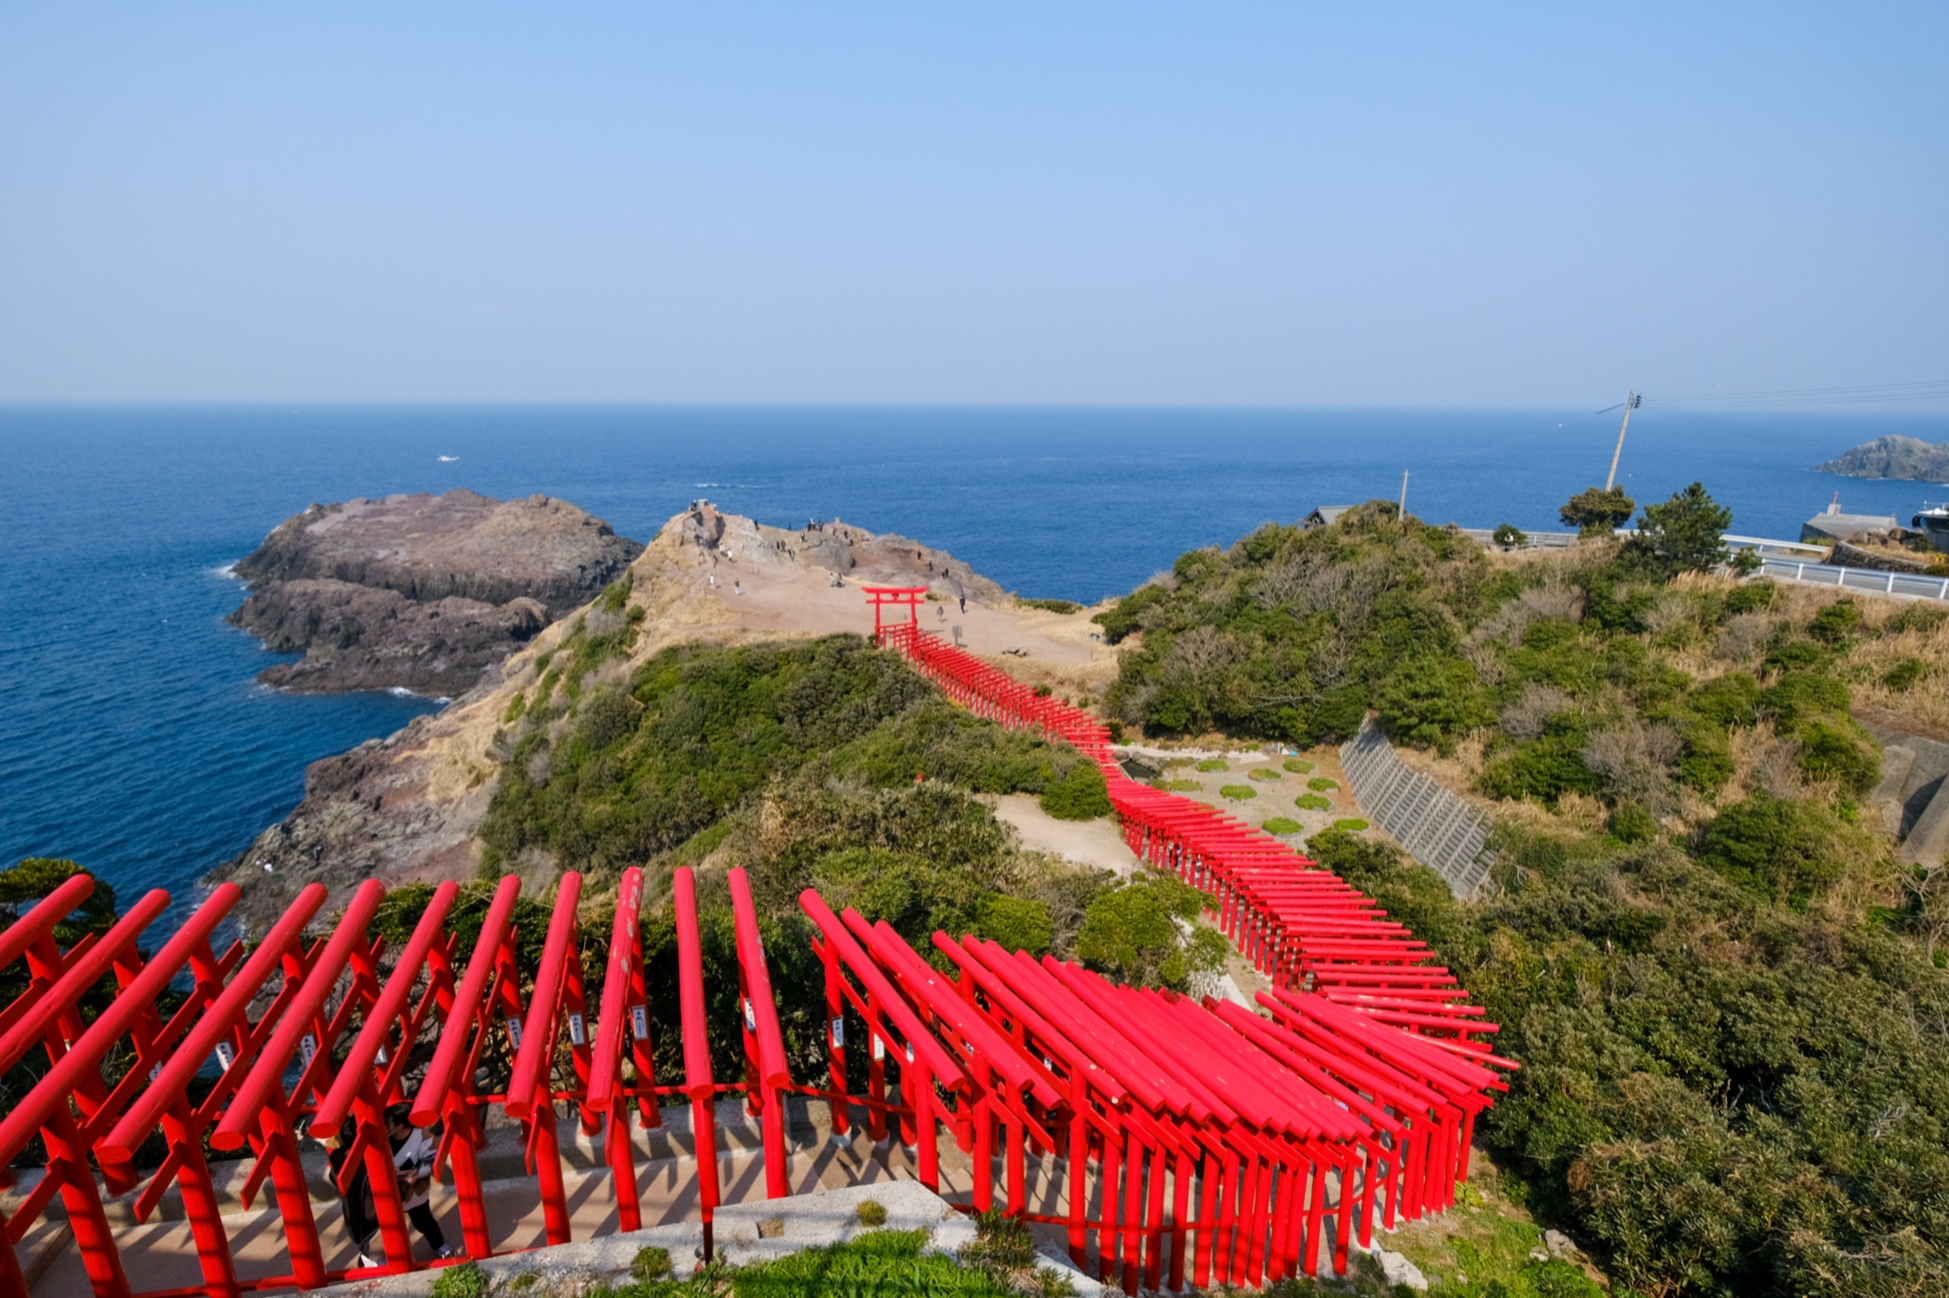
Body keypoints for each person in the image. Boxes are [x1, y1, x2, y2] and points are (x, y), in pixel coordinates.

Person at [387, 1106, 451, 1259]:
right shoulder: (383, 1136)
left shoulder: (423, 1136)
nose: (385, 1126)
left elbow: (432, 1162)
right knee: (388, 1225)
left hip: (414, 1189)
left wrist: (415, 1173)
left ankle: (439, 1245)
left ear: (400, 1125)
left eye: (389, 1123)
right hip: (389, 1188)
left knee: (423, 1221)